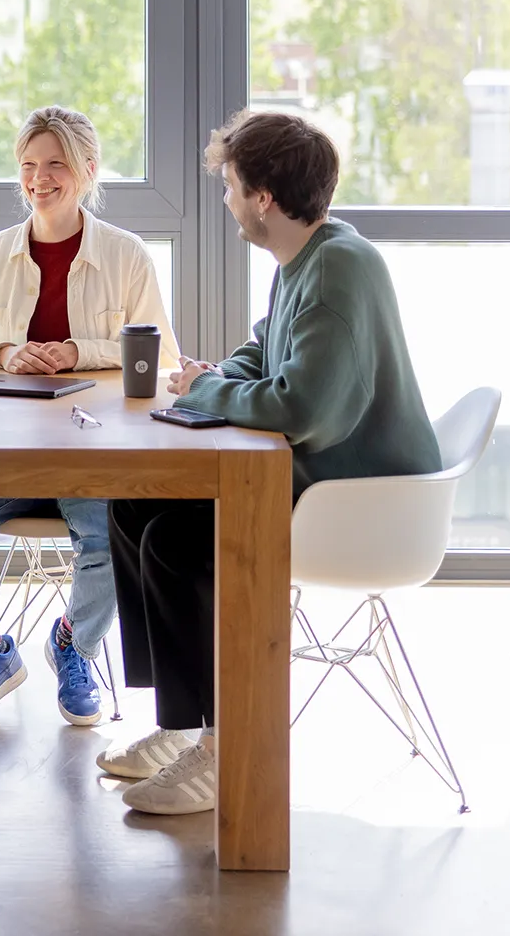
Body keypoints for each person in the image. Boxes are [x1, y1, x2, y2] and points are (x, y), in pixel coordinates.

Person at [101, 109, 441, 816]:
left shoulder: (339, 269)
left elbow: (298, 409)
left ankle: (226, 749)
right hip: (320, 479)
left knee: (179, 541)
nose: (224, 199)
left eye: (230, 185)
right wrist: (211, 375)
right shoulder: (306, 259)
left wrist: (214, 391)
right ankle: (184, 723)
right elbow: (266, 353)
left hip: (354, 501)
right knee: (134, 503)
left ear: (263, 195)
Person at [0, 106, 179, 728]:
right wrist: (6, 353)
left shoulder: (127, 254)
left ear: (87, 170)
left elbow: (161, 357)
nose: (40, 177)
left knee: (116, 535)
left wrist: (77, 352)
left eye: (56, 163)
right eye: (29, 165)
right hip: (2, 459)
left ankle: (73, 644)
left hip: (91, 461)